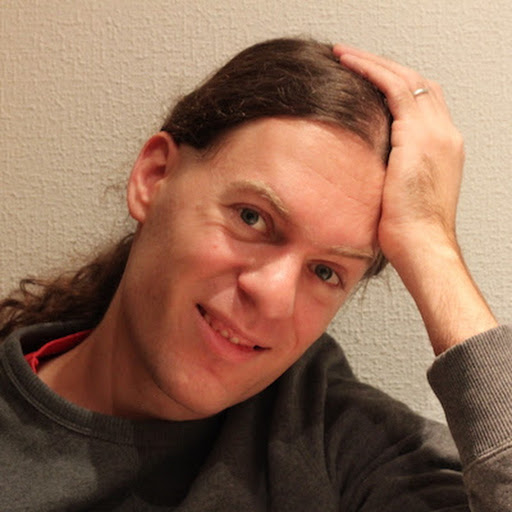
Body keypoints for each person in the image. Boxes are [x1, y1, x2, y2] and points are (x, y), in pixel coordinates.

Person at [0, 37, 509, 511]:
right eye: (252, 218)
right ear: (154, 178)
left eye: (325, 271)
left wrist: (432, 243)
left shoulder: (349, 450)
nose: (274, 296)